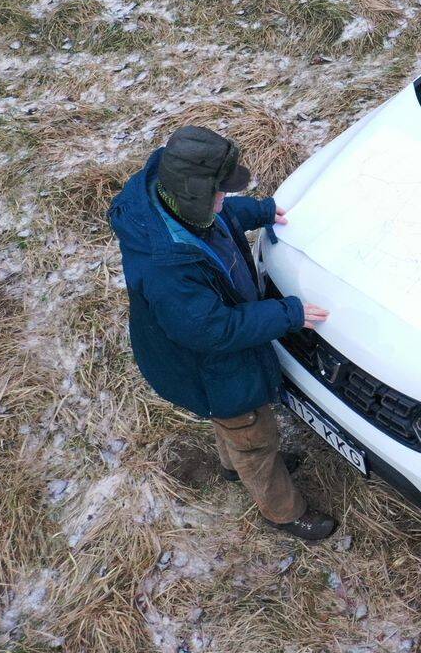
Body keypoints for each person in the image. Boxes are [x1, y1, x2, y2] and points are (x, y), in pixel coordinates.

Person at [109, 125, 337, 541]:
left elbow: (224, 217)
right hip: (211, 368)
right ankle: (283, 512)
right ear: (194, 194)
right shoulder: (168, 269)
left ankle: (234, 466)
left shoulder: (177, 204)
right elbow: (216, 329)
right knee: (253, 437)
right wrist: (287, 313)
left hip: (204, 362)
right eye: (219, 193)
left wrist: (260, 211)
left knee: (233, 429)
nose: (224, 200)